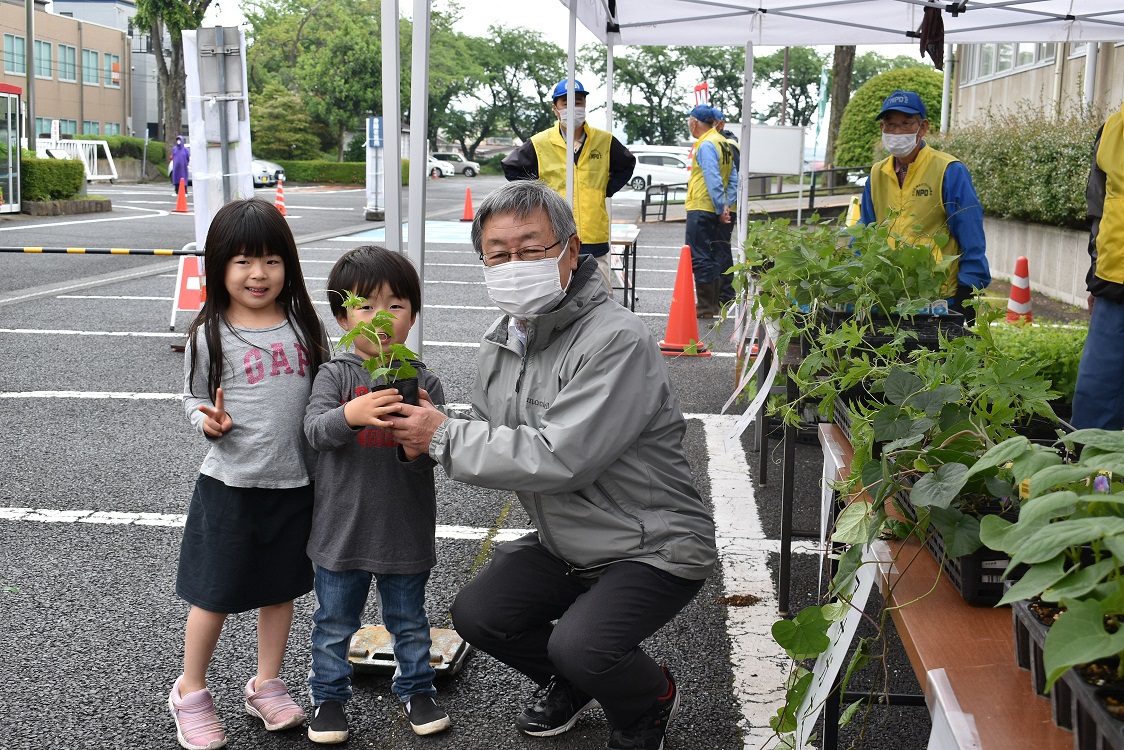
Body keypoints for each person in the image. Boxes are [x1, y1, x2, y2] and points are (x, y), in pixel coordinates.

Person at [385, 180, 717, 750]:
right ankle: (578, 682)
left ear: (571, 249)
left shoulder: (616, 338)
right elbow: (497, 438)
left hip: (652, 541)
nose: (514, 264)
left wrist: (442, 437)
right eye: (499, 254)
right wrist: (419, 429)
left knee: (581, 644)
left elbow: (562, 457)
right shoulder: (503, 340)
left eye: (531, 248)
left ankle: (646, 701)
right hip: (567, 540)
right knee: (479, 615)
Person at [172, 198, 328, 750]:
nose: (257, 274)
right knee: (212, 594)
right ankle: (190, 690)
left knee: (281, 589)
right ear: (218, 266)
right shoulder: (210, 334)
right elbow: (191, 396)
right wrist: (205, 421)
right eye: (241, 261)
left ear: (288, 264)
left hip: (295, 485)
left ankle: (266, 682)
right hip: (231, 487)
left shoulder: (303, 326)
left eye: (269, 260)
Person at [302, 245, 451, 742]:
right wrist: (352, 414)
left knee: (409, 620)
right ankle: (327, 696)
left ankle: (416, 687)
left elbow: (432, 456)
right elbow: (315, 432)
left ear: (412, 315)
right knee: (333, 623)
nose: (379, 318)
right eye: (364, 306)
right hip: (340, 530)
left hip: (403, 529)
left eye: (395, 305)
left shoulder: (421, 379)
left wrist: (418, 440)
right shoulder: (335, 375)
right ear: (343, 318)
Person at [858, 89, 991, 323]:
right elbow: (865, 231)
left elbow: (970, 233)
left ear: (923, 127)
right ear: (882, 129)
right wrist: (857, 275)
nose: (897, 131)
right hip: (888, 297)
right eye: (890, 125)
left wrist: (969, 289)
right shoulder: (877, 174)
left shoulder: (949, 170)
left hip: (939, 298)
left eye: (906, 123)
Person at [502, 78, 636, 293]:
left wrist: (604, 189)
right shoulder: (540, 142)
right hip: (554, 231)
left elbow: (627, 164)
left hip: (593, 233)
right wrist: (537, 198)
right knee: (554, 294)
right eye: (566, 102)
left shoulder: (604, 141)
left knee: (599, 295)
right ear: (555, 109)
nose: (574, 107)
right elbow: (512, 168)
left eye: (579, 101)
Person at [1072, 105, 1124, 430]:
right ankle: (1096, 481)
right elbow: (1099, 210)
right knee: (1094, 406)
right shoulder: (1114, 126)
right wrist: (1095, 281)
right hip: (1114, 291)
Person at [685, 104, 738, 317]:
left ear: (695, 122)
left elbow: (712, 176)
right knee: (714, 254)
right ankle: (713, 303)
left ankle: (706, 306)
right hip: (716, 207)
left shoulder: (706, 144)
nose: (689, 123)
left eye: (690, 120)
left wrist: (719, 206)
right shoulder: (724, 142)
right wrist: (726, 205)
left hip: (701, 206)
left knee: (700, 255)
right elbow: (733, 178)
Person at [712, 109, 740, 305]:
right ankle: (723, 293)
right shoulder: (729, 142)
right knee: (721, 248)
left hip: (727, 206)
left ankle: (725, 293)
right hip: (726, 205)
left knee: (720, 249)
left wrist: (726, 205)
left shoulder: (727, 144)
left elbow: (733, 178)